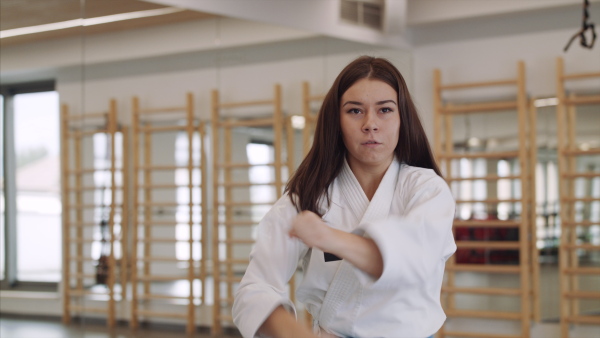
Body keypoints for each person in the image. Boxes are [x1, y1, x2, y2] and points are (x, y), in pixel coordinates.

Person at [232, 56, 456, 338]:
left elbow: (413, 260)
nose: (370, 124)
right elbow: (255, 288)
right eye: (355, 111)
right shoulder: (309, 197)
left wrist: (330, 238)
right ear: (336, 121)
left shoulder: (427, 189)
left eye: (385, 109)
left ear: (402, 119)